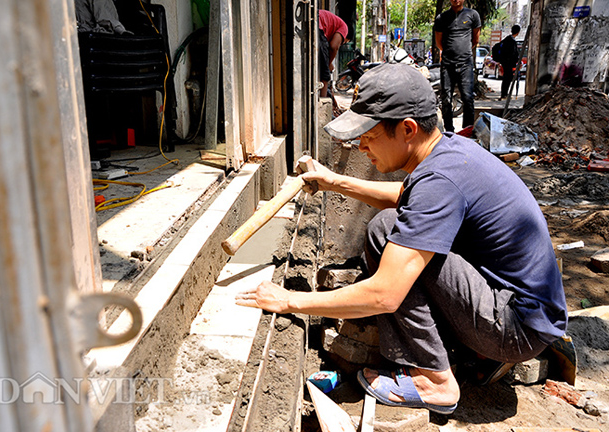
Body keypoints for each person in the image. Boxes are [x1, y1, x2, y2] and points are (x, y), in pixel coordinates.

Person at [236, 63, 567, 414]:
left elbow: (384, 295)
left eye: (369, 134)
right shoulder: (449, 153)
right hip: (525, 312)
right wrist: (335, 181)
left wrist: (289, 300)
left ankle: (436, 381)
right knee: (393, 224)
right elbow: (408, 198)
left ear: (407, 129)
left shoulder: (440, 179)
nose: (361, 146)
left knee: (385, 232)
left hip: (514, 329)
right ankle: (463, 350)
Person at [434, 0, 481, 132]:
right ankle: (449, 130)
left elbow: (475, 39)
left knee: (467, 98)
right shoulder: (442, 18)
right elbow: (439, 43)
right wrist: (450, 53)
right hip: (447, 64)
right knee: (446, 98)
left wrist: (463, 52)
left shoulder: (472, 15)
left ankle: (467, 131)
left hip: (465, 63)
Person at [318, 10, 349, 97]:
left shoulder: (333, 23)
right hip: (318, 27)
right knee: (325, 74)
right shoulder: (344, 28)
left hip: (315, 20)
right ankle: (323, 105)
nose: (342, 43)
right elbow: (334, 46)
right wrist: (329, 64)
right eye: (344, 42)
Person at [500, 25, 521, 99]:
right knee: (507, 78)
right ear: (518, 32)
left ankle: (504, 93)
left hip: (505, 62)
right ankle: (504, 94)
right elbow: (513, 53)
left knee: (507, 78)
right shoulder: (511, 41)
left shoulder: (507, 39)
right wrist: (517, 62)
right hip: (508, 62)